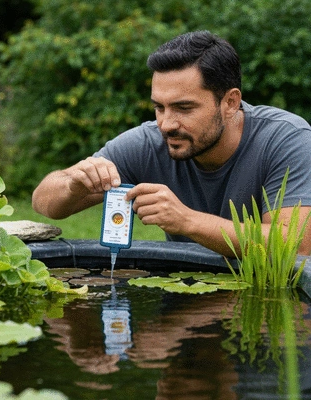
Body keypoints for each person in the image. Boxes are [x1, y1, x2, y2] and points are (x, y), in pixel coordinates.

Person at [32, 30, 311, 257]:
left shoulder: (286, 139)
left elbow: (297, 245)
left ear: (230, 102)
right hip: (188, 304)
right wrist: (72, 185)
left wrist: (187, 220)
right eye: (159, 107)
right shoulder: (149, 142)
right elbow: (44, 202)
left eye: (184, 108)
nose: (166, 124)